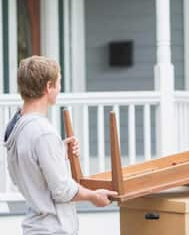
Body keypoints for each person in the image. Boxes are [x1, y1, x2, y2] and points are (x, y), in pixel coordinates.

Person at [4, 55, 118, 235]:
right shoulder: (44, 133)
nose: (59, 89)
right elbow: (62, 190)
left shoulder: (17, 127)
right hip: (52, 229)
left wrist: (57, 152)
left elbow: (28, 171)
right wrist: (93, 196)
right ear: (48, 87)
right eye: (58, 83)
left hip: (34, 228)